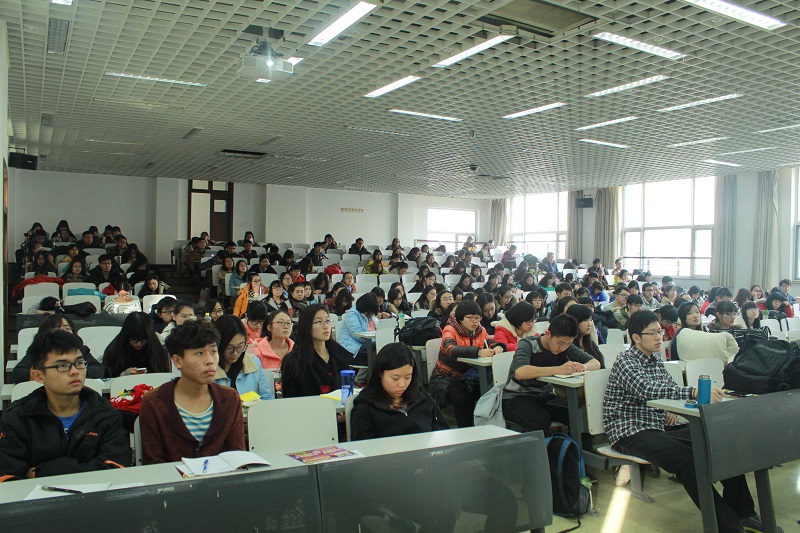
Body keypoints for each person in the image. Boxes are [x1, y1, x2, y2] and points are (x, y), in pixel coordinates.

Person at [604, 310, 768, 533]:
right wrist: (691, 392)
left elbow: (668, 388)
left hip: (658, 426)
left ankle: (744, 513)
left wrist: (668, 406)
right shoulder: (626, 360)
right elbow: (646, 389)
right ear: (636, 337)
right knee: (688, 460)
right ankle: (728, 526)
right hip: (630, 430)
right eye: (652, 333)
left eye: (659, 332)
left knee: (721, 443)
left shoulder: (655, 360)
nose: (659, 337)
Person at [0, 329, 129, 481]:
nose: (74, 371)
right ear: (38, 376)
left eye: (79, 363)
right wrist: (86, 468)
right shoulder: (17, 418)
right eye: (62, 365)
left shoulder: (105, 414)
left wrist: (45, 471)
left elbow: (116, 470)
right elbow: (7, 478)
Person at [139, 320, 245, 464]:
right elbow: (154, 463)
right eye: (199, 353)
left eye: (213, 351)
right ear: (178, 361)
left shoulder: (230, 399)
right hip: (173, 477)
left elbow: (238, 456)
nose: (210, 361)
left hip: (221, 477)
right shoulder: (154, 403)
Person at [503, 314, 600, 432]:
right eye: (560, 343)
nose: (562, 348)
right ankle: (536, 445)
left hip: (544, 396)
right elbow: (520, 372)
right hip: (515, 398)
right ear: (548, 334)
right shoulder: (528, 344)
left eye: (568, 343)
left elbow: (596, 363)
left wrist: (584, 366)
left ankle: (572, 443)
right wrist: (559, 369)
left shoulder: (566, 346)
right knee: (540, 419)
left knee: (575, 415)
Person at [428, 301, 505, 428]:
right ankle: (466, 431)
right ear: (460, 319)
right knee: (463, 400)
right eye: (470, 318)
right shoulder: (450, 329)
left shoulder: (480, 330)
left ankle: (487, 428)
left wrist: (498, 348)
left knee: (491, 395)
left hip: (471, 377)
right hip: (446, 377)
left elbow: (491, 342)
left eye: (478, 318)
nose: (475, 321)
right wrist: (478, 352)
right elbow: (450, 349)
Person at [351, 343, 448, 440]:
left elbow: (443, 437)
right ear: (380, 373)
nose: (402, 384)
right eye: (395, 378)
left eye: (407, 377)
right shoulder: (366, 408)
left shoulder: (424, 400)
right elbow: (363, 446)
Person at [280, 304, 352, 398]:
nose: (325, 326)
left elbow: (347, 390)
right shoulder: (293, 361)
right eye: (318, 322)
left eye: (327, 321)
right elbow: (290, 400)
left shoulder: (339, 354)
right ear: (306, 326)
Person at [12, 315, 109, 383]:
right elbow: (19, 373)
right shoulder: (38, 351)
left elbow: (98, 370)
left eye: (67, 329)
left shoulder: (81, 350)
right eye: (57, 329)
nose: (63, 333)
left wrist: (72, 374)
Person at [212, 316, 273, 400]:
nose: (235, 353)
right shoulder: (208, 368)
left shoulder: (253, 363)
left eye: (240, 347)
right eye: (229, 348)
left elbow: (267, 398)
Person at [103, 312, 171, 377]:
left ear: (150, 337)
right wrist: (124, 375)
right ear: (126, 336)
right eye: (134, 340)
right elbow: (107, 377)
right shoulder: (114, 351)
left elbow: (164, 374)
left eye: (144, 340)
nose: (139, 344)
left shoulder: (158, 349)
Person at [339, 292, 379, 368]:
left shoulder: (368, 316)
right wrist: (376, 340)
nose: (371, 314)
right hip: (351, 351)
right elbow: (358, 336)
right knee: (376, 346)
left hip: (361, 347)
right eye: (371, 311)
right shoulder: (352, 314)